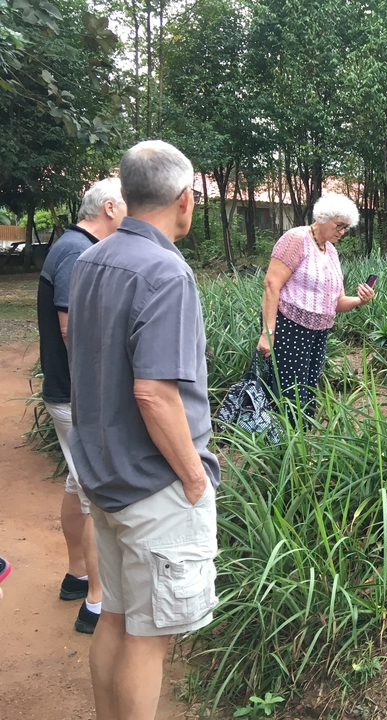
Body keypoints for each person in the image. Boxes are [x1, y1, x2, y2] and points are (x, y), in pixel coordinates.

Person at [67, 140, 219, 720]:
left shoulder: (90, 259)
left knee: (117, 617)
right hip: (155, 486)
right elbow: (155, 394)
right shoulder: (165, 273)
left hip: (103, 474)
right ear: (185, 201)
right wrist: (194, 479)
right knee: (149, 639)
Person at [37, 177, 126, 633]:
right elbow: (73, 330)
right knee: (94, 493)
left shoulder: (71, 245)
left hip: (64, 390)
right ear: (110, 208)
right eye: (128, 206)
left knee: (77, 484)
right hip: (76, 395)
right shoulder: (79, 252)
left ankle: (76, 575)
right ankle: (96, 601)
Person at [257, 192, 374, 418]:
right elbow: (272, 285)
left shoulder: (331, 251)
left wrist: (360, 299)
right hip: (290, 328)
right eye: (338, 225)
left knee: (308, 390)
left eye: (345, 228)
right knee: (289, 393)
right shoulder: (296, 239)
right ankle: (281, 445)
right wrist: (267, 333)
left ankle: (301, 441)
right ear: (322, 216)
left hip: (319, 332)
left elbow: (338, 302)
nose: (341, 232)